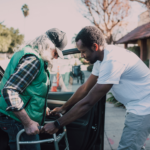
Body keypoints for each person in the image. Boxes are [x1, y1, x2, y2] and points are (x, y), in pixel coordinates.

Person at [42, 26, 150, 150]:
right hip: (138, 105)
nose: (82, 55)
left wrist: (58, 124)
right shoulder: (101, 58)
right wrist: (63, 108)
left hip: (144, 108)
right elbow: (85, 88)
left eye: (83, 51)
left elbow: (89, 102)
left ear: (95, 47)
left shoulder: (112, 61)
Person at [0, 28, 67, 150]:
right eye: (56, 52)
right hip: (16, 119)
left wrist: (43, 109)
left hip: (14, 115)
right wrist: (28, 123)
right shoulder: (33, 60)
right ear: (48, 46)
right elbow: (10, 90)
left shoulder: (31, 56)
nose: (56, 57)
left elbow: (29, 90)